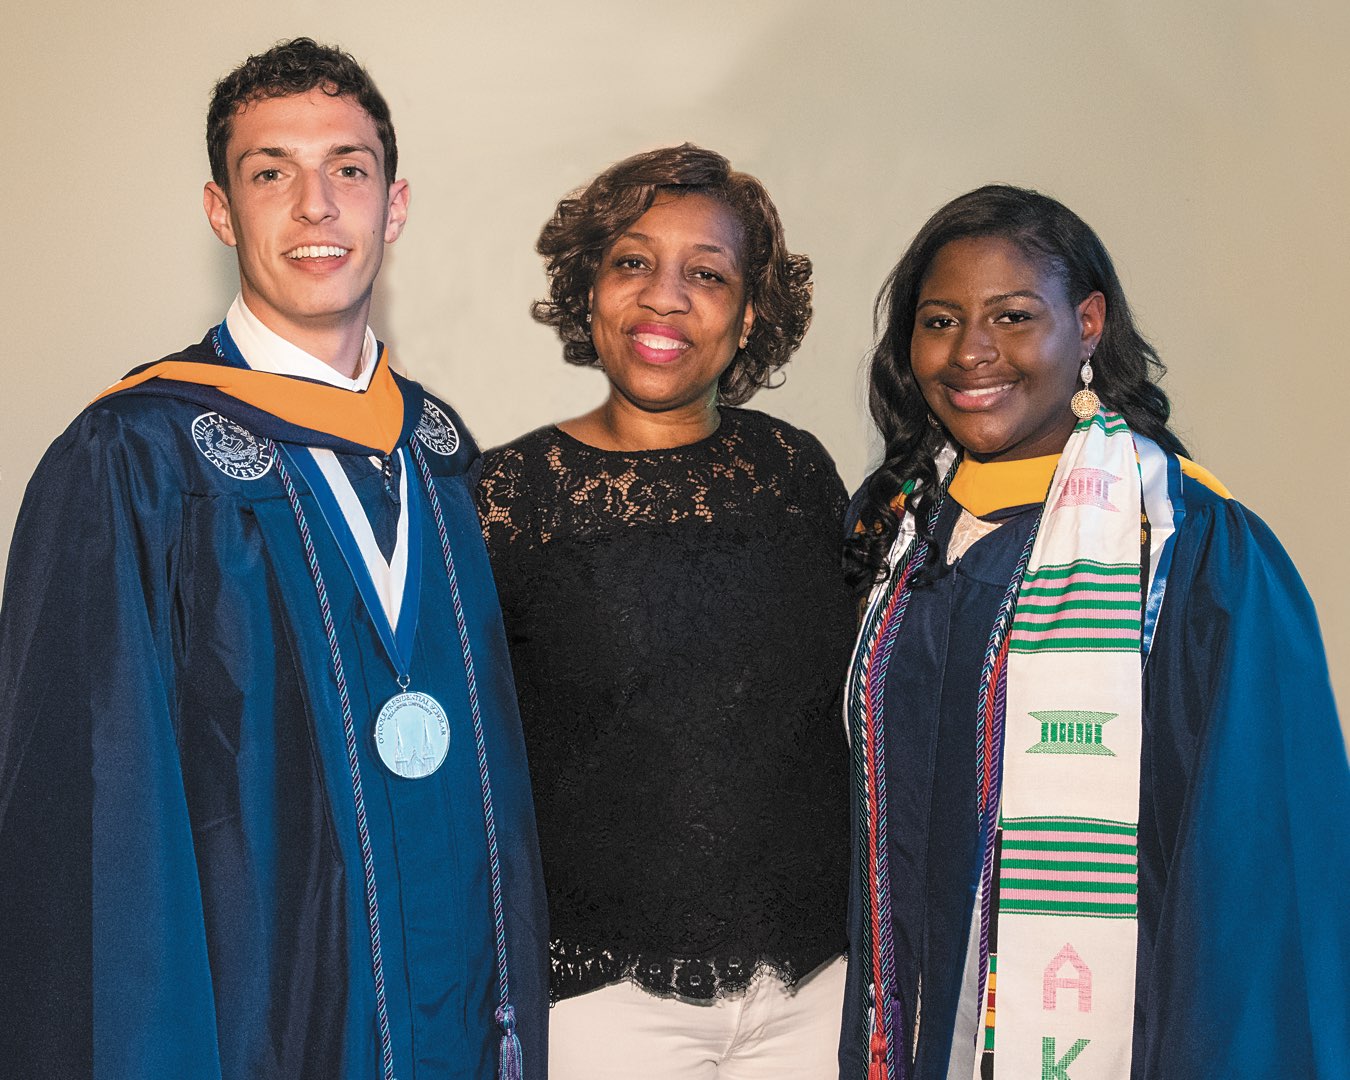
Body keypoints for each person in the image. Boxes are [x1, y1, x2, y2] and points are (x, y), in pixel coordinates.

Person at [0, 38, 546, 1080]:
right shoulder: (134, 460)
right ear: (221, 210)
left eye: (348, 169)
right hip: (260, 1021)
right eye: (271, 173)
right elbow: (91, 821)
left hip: (460, 1014)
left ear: (394, 205)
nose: (315, 206)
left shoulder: (438, 452)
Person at [839, 184, 1348, 1080]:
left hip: (1122, 1030)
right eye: (941, 320)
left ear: (1089, 323)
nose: (970, 354)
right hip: (907, 1027)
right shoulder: (897, 535)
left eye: (1012, 316)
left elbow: (1257, 863)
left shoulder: (1187, 546)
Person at [474, 145, 853, 1079]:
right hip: (606, 1007)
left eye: (708, 275)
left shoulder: (798, 473)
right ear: (590, 288)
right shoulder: (504, 496)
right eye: (633, 262)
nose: (665, 297)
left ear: (749, 312)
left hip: (816, 988)